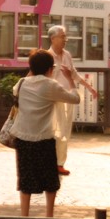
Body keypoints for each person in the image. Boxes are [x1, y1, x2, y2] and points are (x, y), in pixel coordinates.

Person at [13, 48, 80, 219]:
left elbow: (16, 90)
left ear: (31, 67)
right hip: (43, 138)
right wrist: (70, 79)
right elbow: (75, 99)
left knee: (25, 179)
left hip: (23, 138)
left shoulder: (21, 83)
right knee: (51, 180)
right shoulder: (50, 86)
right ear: (50, 69)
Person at [45, 24, 98, 176]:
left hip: (67, 98)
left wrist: (89, 87)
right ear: (53, 38)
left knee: (65, 132)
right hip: (52, 100)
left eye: (65, 36)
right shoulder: (47, 56)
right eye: (62, 36)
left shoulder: (67, 55)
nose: (65, 39)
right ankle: (50, 163)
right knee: (52, 132)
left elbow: (73, 74)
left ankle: (60, 163)